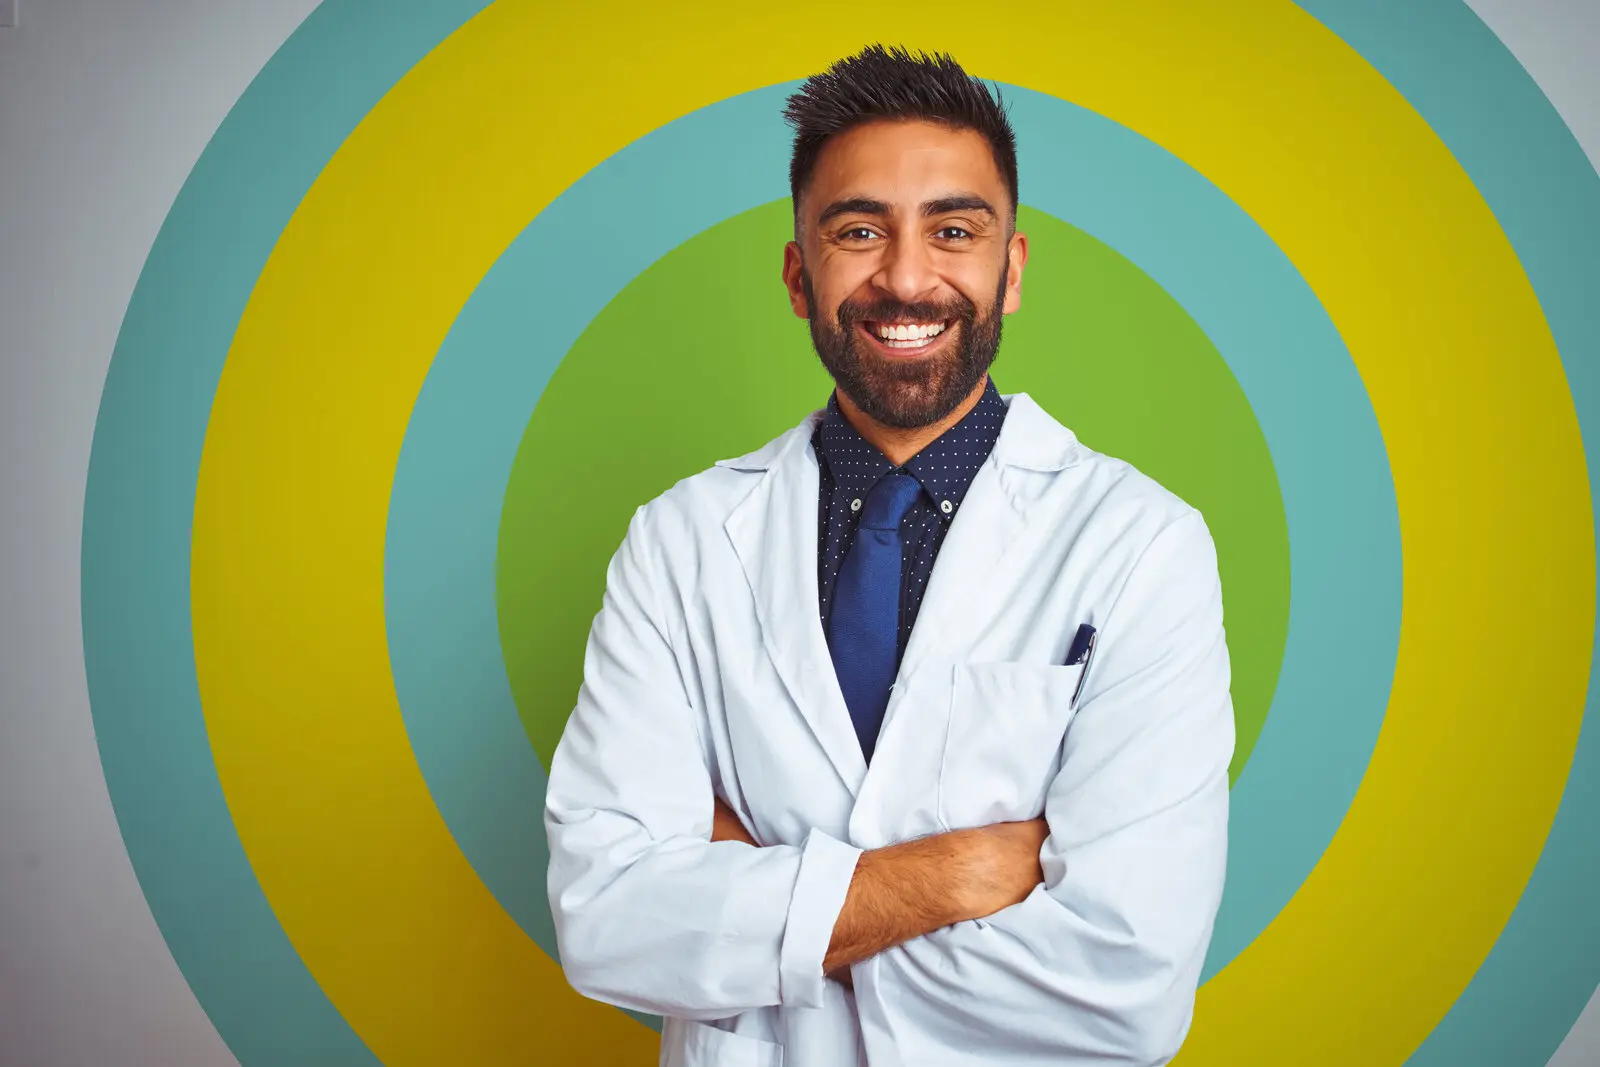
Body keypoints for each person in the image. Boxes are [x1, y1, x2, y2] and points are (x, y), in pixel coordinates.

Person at [545, 44, 1235, 1067]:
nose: (906, 276)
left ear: (1010, 270)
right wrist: (957, 873)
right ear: (797, 273)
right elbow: (605, 918)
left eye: (953, 230)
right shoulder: (679, 541)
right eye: (858, 230)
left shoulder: (1140, 545)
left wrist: (755, 903)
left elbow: (1123, 986)